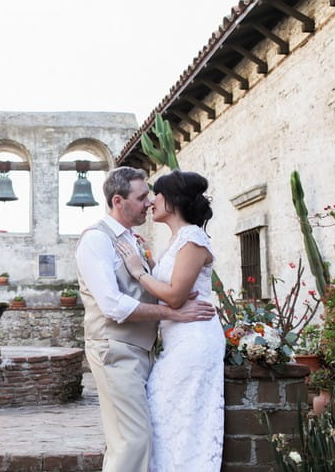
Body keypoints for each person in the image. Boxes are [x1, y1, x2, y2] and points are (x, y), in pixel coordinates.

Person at [75, 166, 218, 472]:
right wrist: (172, 312)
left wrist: (149, 269)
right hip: (115, 348)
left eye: (152, 196)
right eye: (141, 197)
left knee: (139, 437)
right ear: (118, 201)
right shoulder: (96, 240)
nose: (150, 202)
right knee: (132, 440)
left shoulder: (136, 241)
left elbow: (163, 287)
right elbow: (112, 305)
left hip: (145, 350)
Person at [116, 169, 225, 471]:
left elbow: (175, 295)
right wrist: (150, 261)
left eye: (157, 195)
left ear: (173, 200)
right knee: (165, 416)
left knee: (180, 421)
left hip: (194, 341)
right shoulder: (178, 240)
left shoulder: (193, 238)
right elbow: (170, 284)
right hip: (179, 340)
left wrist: (138, 271)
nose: (151, 201)